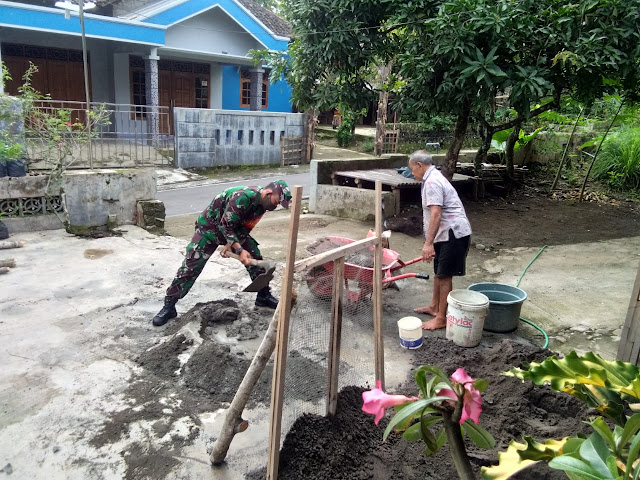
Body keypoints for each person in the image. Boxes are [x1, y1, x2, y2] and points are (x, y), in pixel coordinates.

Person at [152, 180, 292, 327]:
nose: (275, 206)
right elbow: (225, 226)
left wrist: (230, 245)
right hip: (209, 228)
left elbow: (246, 228)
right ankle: (169, 306)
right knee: (191, 266)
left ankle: (263, 295)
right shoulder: (242, 196)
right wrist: (239, 250)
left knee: (256, 259)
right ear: (268, 193)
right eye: (276, 202)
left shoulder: (263, 206)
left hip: (231, 230)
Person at [407, 151, 472, 330]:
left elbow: (436, 213)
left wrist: (428, 244)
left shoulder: (433, 182)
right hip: (445, 234)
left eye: (412, 169)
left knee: (444, 276)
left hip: (453, 234)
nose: (412, 173)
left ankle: (442, 318)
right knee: (439, 272)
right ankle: (434, 307)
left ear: (420, 165)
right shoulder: (432, 178)